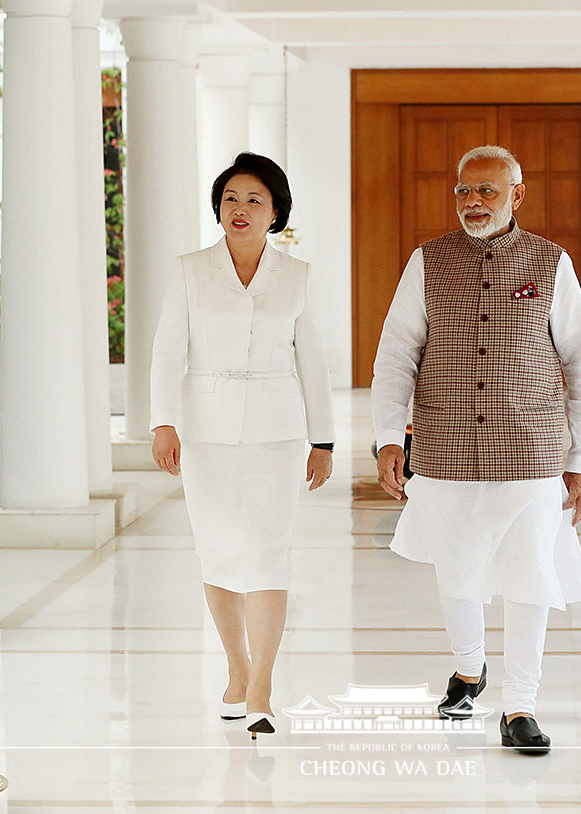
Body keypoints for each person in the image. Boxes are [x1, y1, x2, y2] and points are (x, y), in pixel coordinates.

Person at [371, 144, 581, 754]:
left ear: (516, 196)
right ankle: (469, 671)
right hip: (445, 448)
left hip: (531, 449)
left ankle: (521, 705)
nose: (473, 202)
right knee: (459, 571)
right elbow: (397, 354)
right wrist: (388, 438)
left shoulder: (551, 263)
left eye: (487, 191)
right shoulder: (428, 261)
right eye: (464, 191)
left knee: (531, 577)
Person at [150, 152, 335, 739]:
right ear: (218, 208)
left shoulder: (298, 276)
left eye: (255, 199)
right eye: (231, 198)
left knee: (267, 554)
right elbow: (165, 351)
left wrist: (323, 439)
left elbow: (314, 362)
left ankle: (262, 689)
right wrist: (163, 422)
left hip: (278, 436)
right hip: (204, 433)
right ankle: (236, 669)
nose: (240, 209)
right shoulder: (189, 269)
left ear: (275, 210)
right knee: (220, 551)